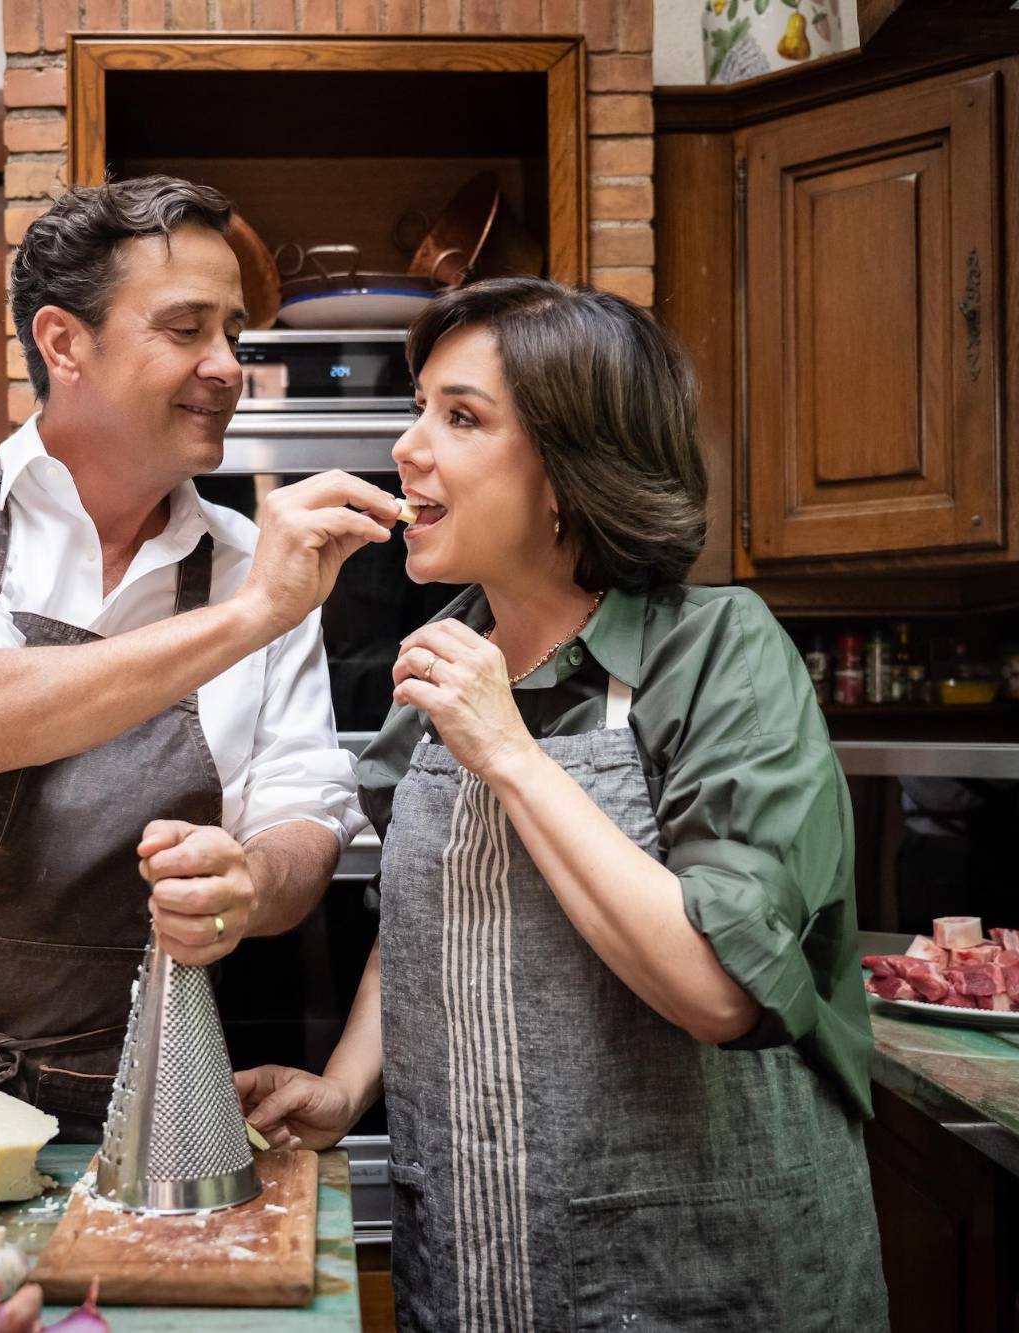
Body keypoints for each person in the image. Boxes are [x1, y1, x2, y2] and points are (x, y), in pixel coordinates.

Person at [235, 278, 890, 1330]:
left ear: (567, 475)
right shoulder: (447, 660)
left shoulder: (717, 653)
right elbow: (427, 923)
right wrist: (346, 1085)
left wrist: (509, 751)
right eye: (418, 408)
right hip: (480, 1258)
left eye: (459, 417)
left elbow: (719, 992)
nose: (406, 447)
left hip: (704, 1273)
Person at [0, 176, 397, 1137]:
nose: (228, 367)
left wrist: (250, 884)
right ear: (62, 342)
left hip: (126, 1115)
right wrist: (252, 613)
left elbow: (308, 815)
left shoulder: (258, 570)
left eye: (235, 335)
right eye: (185, 329)